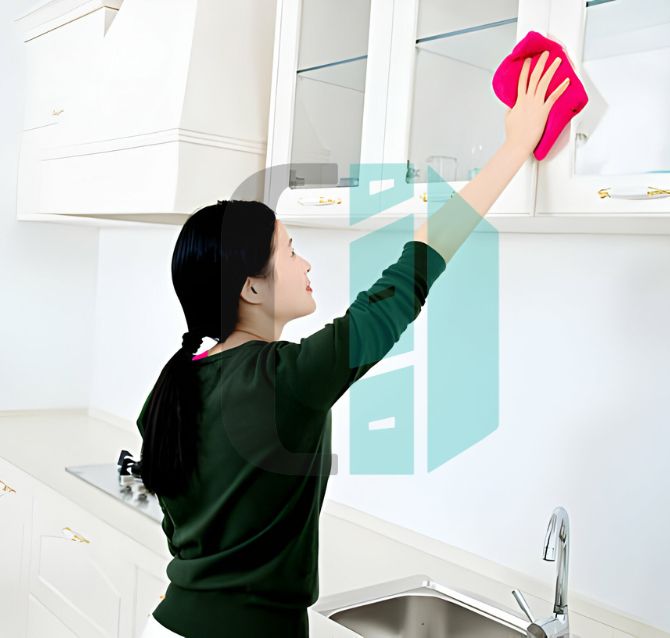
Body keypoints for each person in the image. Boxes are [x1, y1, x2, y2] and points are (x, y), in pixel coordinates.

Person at [137, 51, 570, 638]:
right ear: (249, 286)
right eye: (289, 251)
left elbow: (186, 533)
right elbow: (406, 279)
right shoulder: (287, 378)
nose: (305, 261)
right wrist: (514, 148)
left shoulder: (175, 384)